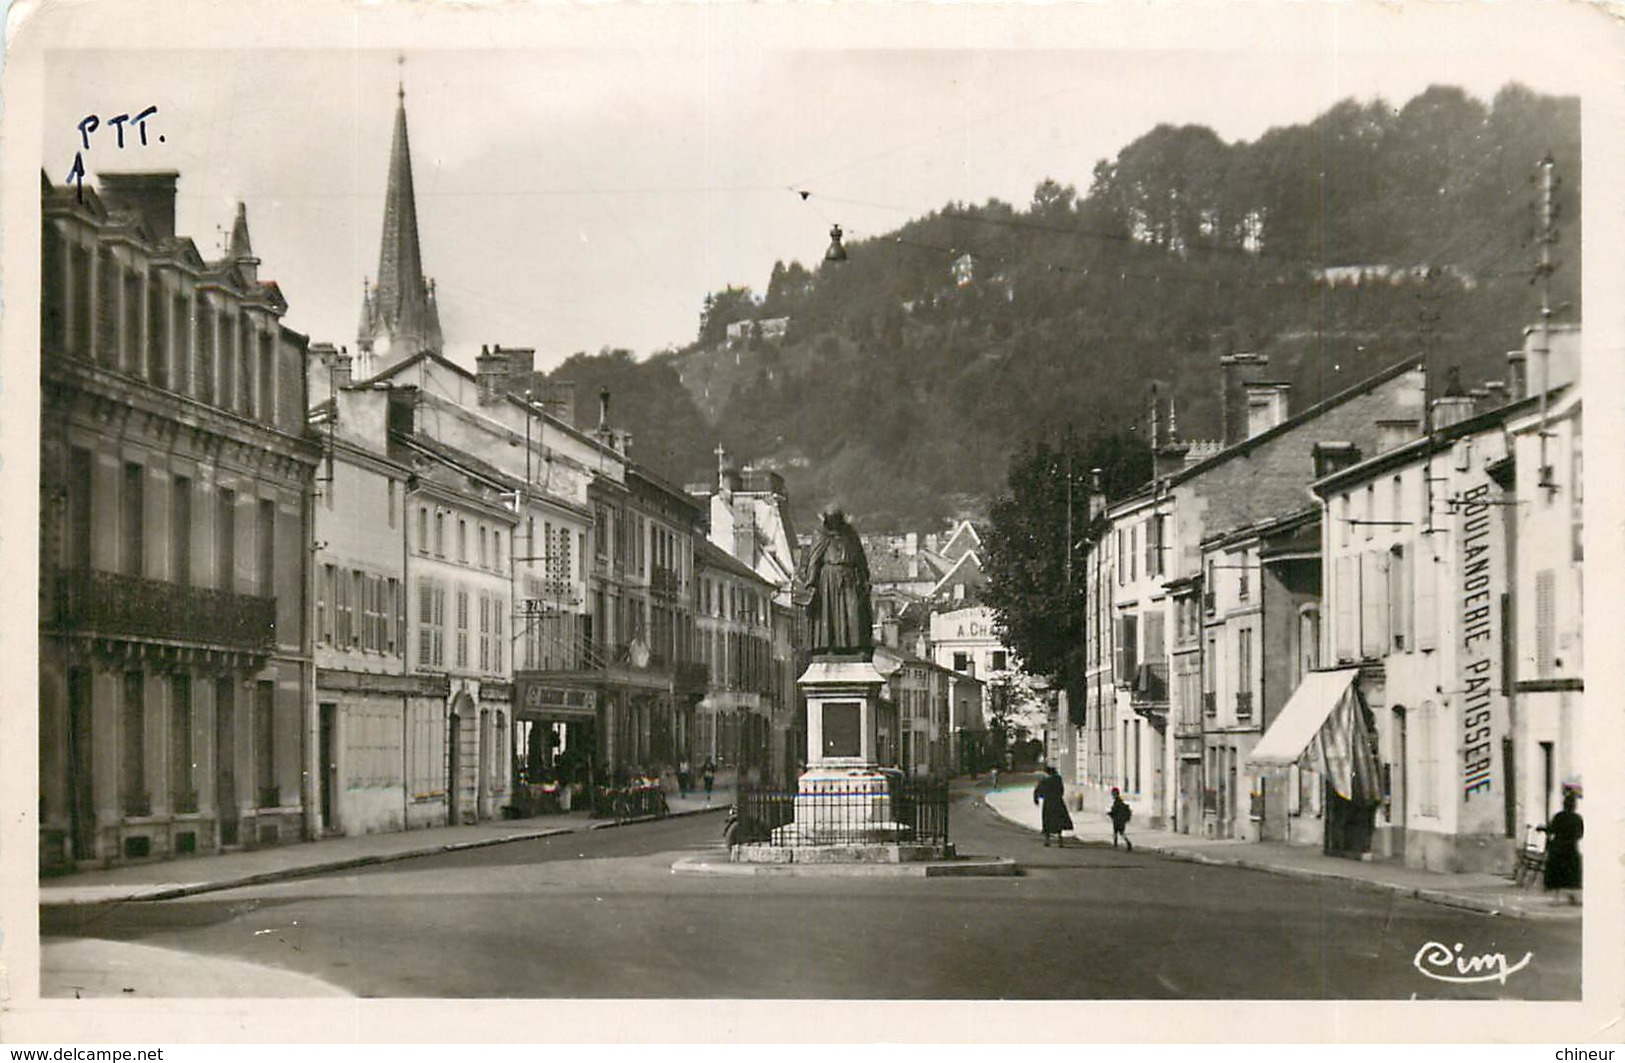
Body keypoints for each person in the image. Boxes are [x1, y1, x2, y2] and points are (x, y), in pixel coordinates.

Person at [796, 508, 874, 655]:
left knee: (853, 611)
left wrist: (864, 578)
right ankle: (829, 646)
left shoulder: (850, 535)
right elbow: (814, 560)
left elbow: (860, 559)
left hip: (849, 578)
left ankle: (853, 646)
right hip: (828, 579)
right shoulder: (820, 535)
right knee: (829, 613)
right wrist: (811, 583)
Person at [1540, 790, 1583, 904]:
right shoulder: (1577, 818)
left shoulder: (1559, 817)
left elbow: (1552, 829)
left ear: (1564, 805)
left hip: (1558, 847)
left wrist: (1542, 829)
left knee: (1557, 873)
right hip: (1572, 848)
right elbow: (1580, 834)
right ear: (1574, 806)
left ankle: (1556, 898)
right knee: (1573, 874)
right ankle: (1574, 897)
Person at [1033, 765, 1073, 848]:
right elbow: (1062, 790)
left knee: (1048, 821)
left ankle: (1047, 840)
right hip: (1058, 802)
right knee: (1058, 821)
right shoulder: (1058, 779)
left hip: (1048, 803)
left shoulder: (1044, 780)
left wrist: (1037, 799)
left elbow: (1037, 791)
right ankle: (1060, 840)